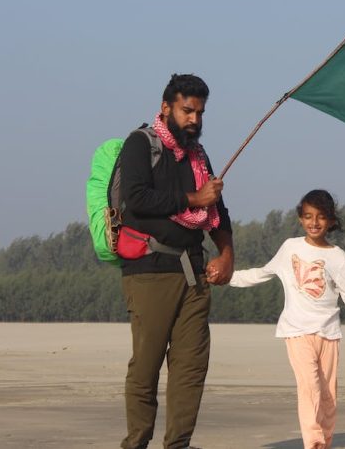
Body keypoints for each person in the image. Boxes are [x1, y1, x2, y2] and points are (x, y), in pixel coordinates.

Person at [118, 73, 234, 449]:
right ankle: (136, 442)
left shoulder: (198, 156)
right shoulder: (140, 144)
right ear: (166, 107)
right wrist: (191, 200)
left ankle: (178, 445)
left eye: (200, 113)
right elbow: (136, 198)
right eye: (187, 111)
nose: (194, 120)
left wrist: (227, 253)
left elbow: (217, 209)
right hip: (149, 271)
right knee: (146, 367)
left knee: (190, 369)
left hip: (194, 274)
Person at [228, 189, 345, 449]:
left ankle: (324, 441)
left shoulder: (338, 257)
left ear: (331, 221)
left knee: (328, 396)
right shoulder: (290, 247)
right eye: (308, 216)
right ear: (300, 219)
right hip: (297, 331)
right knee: (310, 387)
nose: (314, 222)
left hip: (329, 334)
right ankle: (313, 442)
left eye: (321, 217)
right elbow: (262, 273)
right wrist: (227, 277)